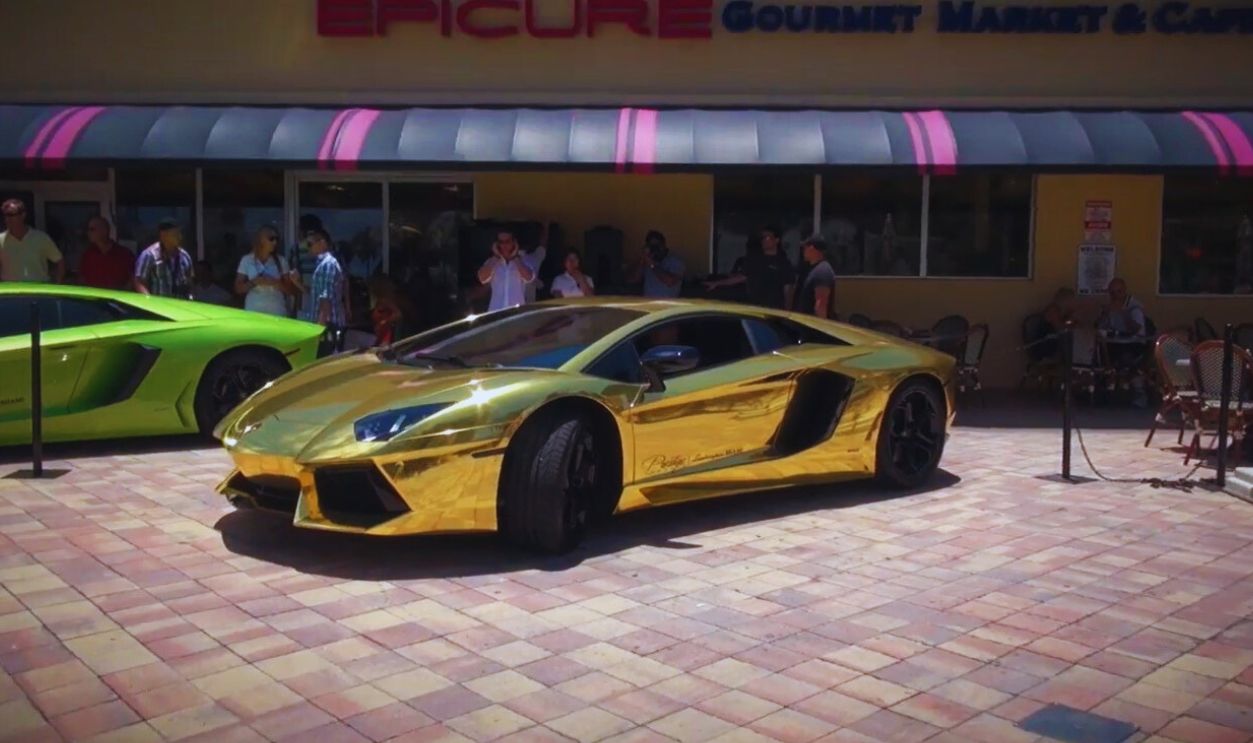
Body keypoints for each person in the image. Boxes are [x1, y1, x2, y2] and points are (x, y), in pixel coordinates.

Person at [704, 225, 796, 309]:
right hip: (753, 307)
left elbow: (788, 288)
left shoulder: (783, 263)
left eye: (767, 237)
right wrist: (717, 283)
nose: (764, 240)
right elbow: (742, 277)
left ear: (776, 240)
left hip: (774, 309)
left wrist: (788, 311)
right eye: (762, 238)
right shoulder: (754, 259)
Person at [1098, 277, 1151, 407]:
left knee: (1126, 359)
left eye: (1118, 292)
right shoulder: (1111, 306)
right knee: (1098, 352)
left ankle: (1138, 392)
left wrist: (1122, 312)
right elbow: (1101, 326)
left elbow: (1136, 328)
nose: (1115, 296)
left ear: (1125, 291)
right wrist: (1105, 314)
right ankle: (1105, 390)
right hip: (1116, 342)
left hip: (1135, 344)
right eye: (1112, 293)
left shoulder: (1134, 307)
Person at [235, 226, 296, 317]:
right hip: (253, 310)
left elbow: (291, 290)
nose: (275, 242)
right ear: (261, 240)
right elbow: (238, 288)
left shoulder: (281, 261)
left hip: (277, 310)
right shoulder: (247, 260)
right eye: (271, 239)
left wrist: (275, 283)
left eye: (276, 239)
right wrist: (254, 282)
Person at [0, 198, 65, 283]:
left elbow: (59, 261)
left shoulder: (41, 238)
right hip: (12, 293)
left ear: (23, 215)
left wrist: (57, 285)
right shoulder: (1, 240)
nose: (8, 219)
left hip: (38, 291)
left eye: (12, 215)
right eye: (5, 215)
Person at [301, 229, 348, 336]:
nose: (308, 248)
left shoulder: (328, 264)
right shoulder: (322, 264)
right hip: (326, 327)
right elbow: (316, 294)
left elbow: (325, 298)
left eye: (310, 244)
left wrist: (319, 330)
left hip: (328, 327)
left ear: (322, 243)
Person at [134, 218, 194, 299]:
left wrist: (190, 297)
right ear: (164, 236)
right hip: (158, 307)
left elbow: (190, 283)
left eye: (180, 234)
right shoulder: (149, 255)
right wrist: (148, 300)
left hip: (180, 307)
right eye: (175, 235)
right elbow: (139, 282)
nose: (180, 237)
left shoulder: (185, 256)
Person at [477, 228, 535, 311]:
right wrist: (496, 256)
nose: (504, 245)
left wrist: (514, 257)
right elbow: (482, 278)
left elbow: (528, 278)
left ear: (514, 242)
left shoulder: (523, 260)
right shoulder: (491, 261)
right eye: (501, 242)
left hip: (516, 313)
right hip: (495, 312)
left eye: (507, 241)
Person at [78, 215, 134, 290]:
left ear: (104, 230)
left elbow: (133, 279)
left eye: (92, 229)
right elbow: (82, 279)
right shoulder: (87, 255)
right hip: (93, 299)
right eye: (88, 229)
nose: (88, 232)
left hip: (117, 299)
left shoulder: (125, 254)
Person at [628, 230, 684, 298]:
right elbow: (633, 280)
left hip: (668, 305)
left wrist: (652, 265)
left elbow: (670, 281)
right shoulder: (647, 261)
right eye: (652, 246)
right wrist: (642, 260)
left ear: (663, 245)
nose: (655, 249)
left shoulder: (675, 261)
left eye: (657, 246)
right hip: (648, 305)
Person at [287, 214, 324, 317]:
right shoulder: (329, 248)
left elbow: (293, 279)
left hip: (305, 302)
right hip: (327, 300)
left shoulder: (297, 250)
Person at [797, 234, 836, 319]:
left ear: (812, 248)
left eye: (805, 248)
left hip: (812, 328)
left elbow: (821, 305)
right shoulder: (811, 269)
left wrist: (819, 330)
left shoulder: (822, 271)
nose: (803, 251)